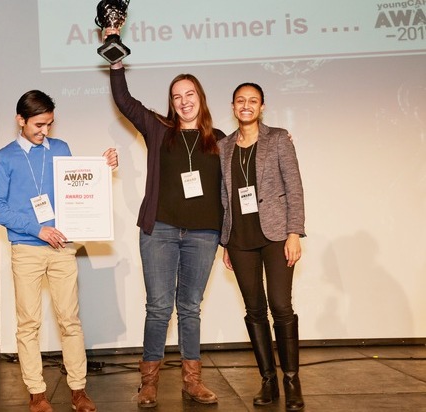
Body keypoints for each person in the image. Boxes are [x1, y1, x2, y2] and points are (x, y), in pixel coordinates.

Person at [105, 29, 224, 408]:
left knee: (190, 308)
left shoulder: (220, 140)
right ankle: (149, 384)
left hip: (204, 234)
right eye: (177, 96)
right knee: (158, 308)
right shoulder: (159, 129)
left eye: (190, 94)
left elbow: (235, 185)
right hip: (160, 231)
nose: (184, 101)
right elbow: (125, 101)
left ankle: (192, 382)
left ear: (200, 98)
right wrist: (116, 60)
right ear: (171, 103)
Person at [0, 90, 118, 412]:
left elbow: (78, 187)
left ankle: (78, 390)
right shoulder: (3, 158)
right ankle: (37, 393)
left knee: (69, 320)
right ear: (20, 120)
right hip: (26, 249)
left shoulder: (61, 149)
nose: (45, 130)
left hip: (62, 248)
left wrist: (103, 168)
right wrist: (37, 229)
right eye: (39, 125)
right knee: (28, 324)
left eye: (49, 124)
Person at [218, 82, 306, 411]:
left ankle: (292, 381)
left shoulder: (279, 139)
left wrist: (294, 232)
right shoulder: (224, 146)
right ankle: (268, 380)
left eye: (252, 101)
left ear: (262, 106)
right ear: (233, 106)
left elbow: (294, 187)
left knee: (281, 306)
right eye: (240, 100)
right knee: (254, 310)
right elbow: (223, 197)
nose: (246, 105)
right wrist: (225, 242)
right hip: (239, 239)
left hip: (277, 235)